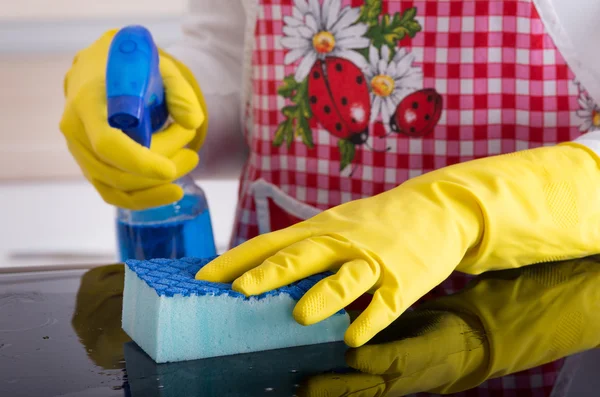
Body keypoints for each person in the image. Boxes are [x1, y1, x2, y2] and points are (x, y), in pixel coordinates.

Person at [59, 0, 600, 395]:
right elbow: (235, 52)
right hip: (273, 344)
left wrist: (467, 209)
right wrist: (171, 102)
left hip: (539, 325)